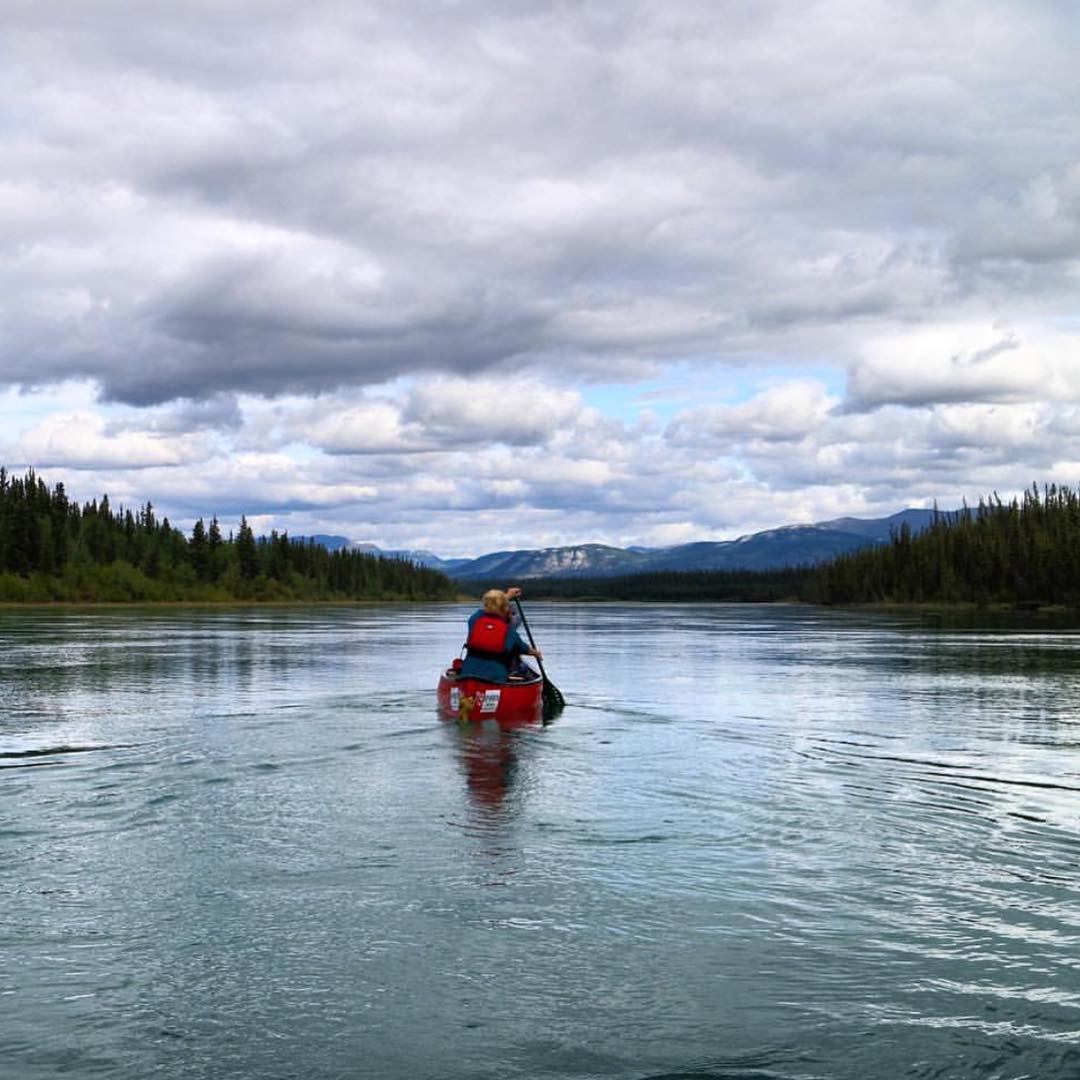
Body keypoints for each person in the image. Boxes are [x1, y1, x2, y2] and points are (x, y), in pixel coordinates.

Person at [458, 587, 542, 685]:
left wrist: (507, 596)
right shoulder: (509, 632)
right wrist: (536, 653)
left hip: (468, 674)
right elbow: (525, 649)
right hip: (496, 679)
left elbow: (486, 609)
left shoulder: (474, 620)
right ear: (505, 609)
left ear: (486, 605)